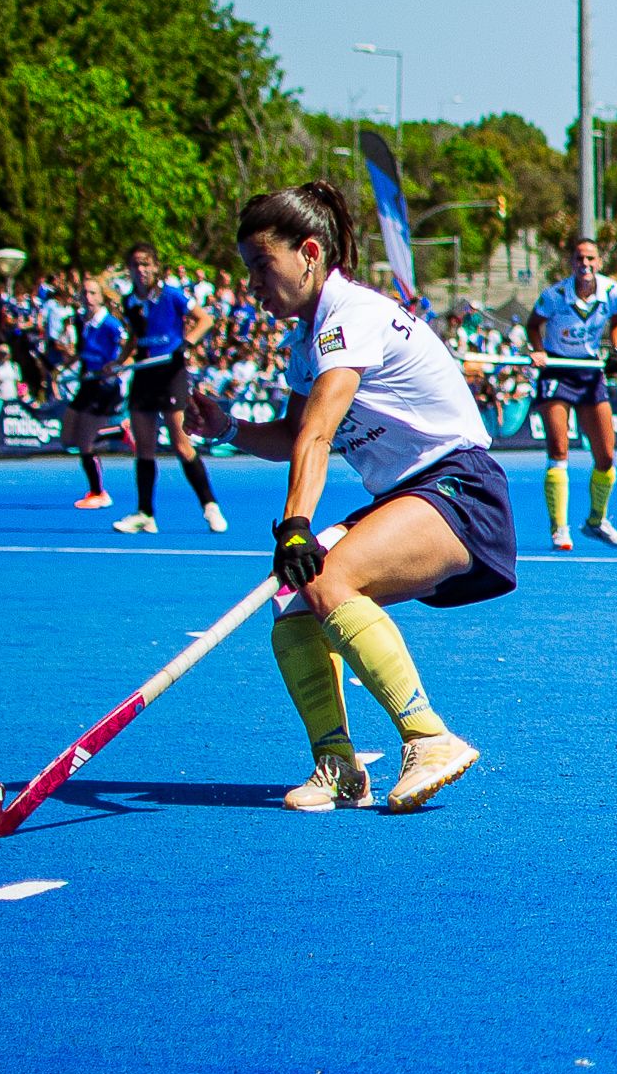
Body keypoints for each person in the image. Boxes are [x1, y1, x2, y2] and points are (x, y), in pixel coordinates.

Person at [183, 182, 513, 815]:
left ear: (308, 253)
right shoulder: (305, 342)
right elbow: (289, 436)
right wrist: (225, 427)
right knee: (294, 608)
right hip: (407, 495)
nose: (251, 284)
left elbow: (318, 432)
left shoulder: (349, 314)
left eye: (261, 265)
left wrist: (298, 526)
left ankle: (429, 737)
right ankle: (338, 766)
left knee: (329, 579)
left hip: (459, 486)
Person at [524, 237, 617, 551]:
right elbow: (533, 326)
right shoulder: (554, 296)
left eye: (591, 260)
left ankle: (597, 521)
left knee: (606, 456)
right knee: (559, 448)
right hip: (557, 370)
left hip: (589, 371)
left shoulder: (614, 292)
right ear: (571, 263)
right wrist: (538, 351)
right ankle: (559, 529)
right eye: (579, 259)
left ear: (599, 263)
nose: (585, 265)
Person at [112, 244, 225, 535]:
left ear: (156, 267)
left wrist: (185, 345)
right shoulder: (129, 302)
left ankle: (210, 505)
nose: (141, 270)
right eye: (136, 264)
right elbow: (135, 340)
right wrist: (117, 363)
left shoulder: (172, 295)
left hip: (170, 373)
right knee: (144, 447)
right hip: (144, 375)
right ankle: (145, 513)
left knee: (180, 442)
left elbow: (205, 320)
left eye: (146, 264)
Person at [61, 277, 128, 507]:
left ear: (100, 297)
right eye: (85, 293)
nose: (88, 298)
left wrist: (117, 364)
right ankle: (120, 431)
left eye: (92, 293)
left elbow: (130, 346)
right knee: (68, 438)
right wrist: (62, 366)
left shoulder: (110, 324)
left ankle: (98, 493)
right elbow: (82, 352)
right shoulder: (81, 323)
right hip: (87, 383)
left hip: (105, 386)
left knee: (85, 444)